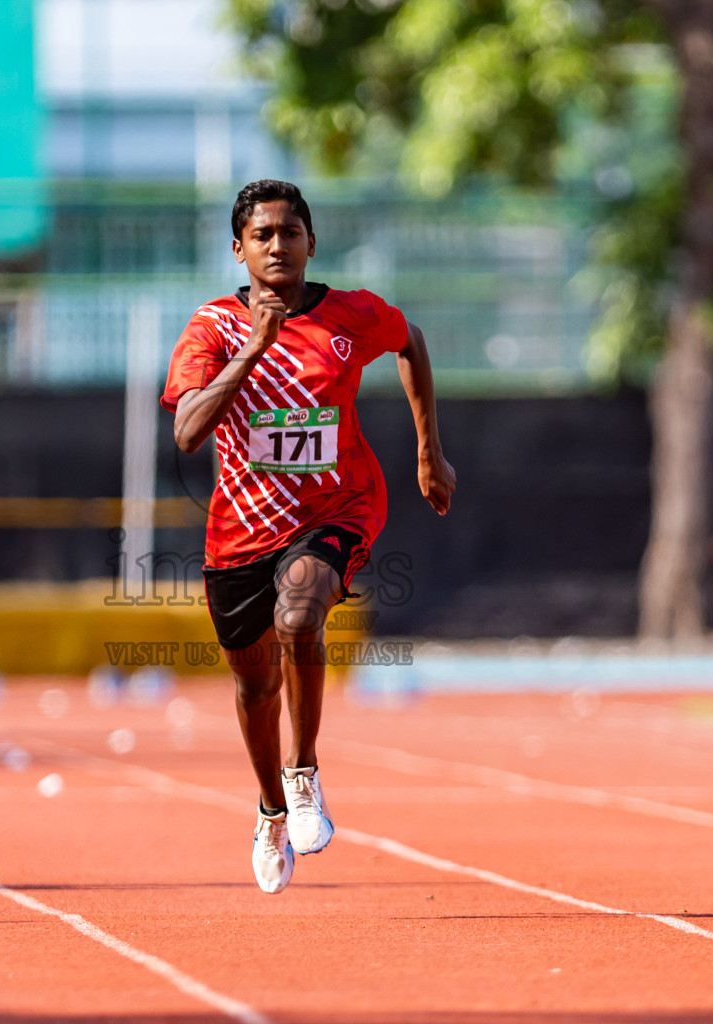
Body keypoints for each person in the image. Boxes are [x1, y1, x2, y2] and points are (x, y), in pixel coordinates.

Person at [162, 180, 455, 893]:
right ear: (239, 250)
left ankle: (303, 773)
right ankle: (268, 809)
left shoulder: (351, 314)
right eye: (262, 235)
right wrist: (255, 347)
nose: (277, 245)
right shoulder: (212, 329)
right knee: (254, 684)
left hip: (339, 508)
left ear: (310, 244)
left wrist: (428, 450)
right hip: (239, 534)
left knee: (300, 616)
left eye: (290, 233)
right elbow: (188, 431)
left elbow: (409, 340)